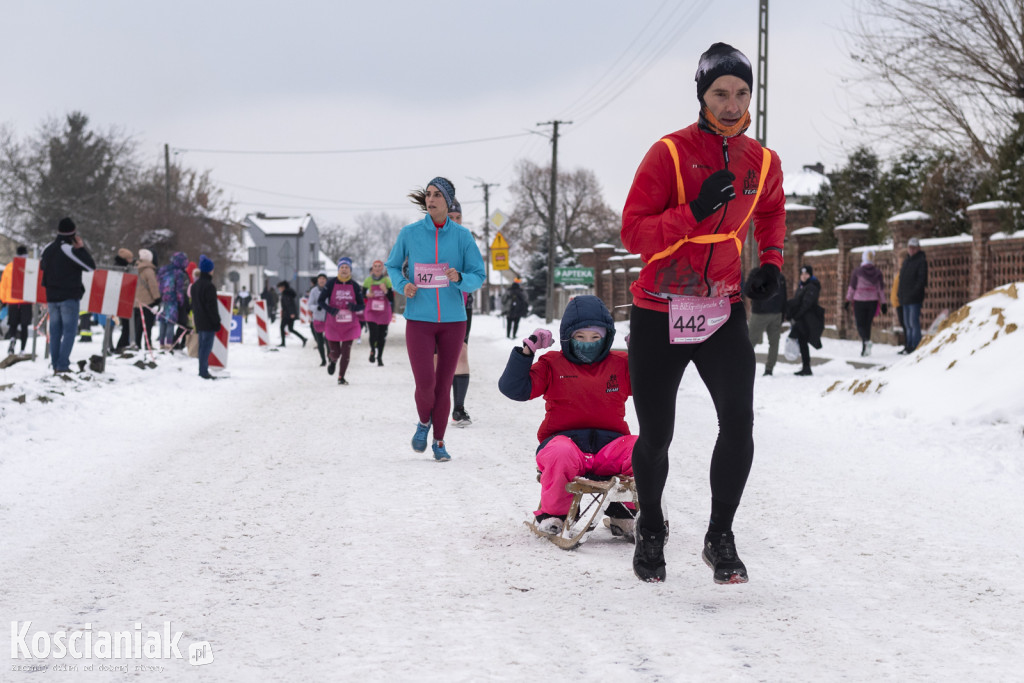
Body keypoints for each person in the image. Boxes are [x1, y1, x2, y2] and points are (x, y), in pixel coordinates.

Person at [620, 43, 787, 584]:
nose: (733, 104)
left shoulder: (762, 160)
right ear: (702, 95)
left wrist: (771, 262)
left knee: (739, 422)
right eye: (721, 93)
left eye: (742, 93)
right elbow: (633, 233)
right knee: (656, 434)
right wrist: (692, 212)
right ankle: (650, 525)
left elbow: (771, 211)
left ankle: (719, 536)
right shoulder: (668, 153)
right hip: (659, 310)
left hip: (721, 309)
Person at [498, 295, 637, 538]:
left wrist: (644, 356)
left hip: (610, 449)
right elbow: (514, 388)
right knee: (560, 452)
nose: (588, 343)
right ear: (567, 337)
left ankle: (624, 512)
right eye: (580, 337)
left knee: (641, 449)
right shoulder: (552, 364)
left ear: (607, 337)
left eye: (596, 337)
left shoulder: (620, 364)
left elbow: (654, 386)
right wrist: (526, 350)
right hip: (566, 446)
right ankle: (555, 516)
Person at [385, 176, 485, 462]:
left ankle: (439, 442)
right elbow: (393, 266)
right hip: (419, 320)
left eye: (437, 195)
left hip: (454, 321)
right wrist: (402, 284)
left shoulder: (463, 237)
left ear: (448, 201)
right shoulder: (410, 233)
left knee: (444, 385)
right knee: (425, 384)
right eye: (428, 194)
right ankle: (423, 423)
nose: (430, 199)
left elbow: (478, 275)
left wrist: (460, 278)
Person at [39, 217, 97, 373]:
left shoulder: (48, 249)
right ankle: (62, 365)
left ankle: (55, 363)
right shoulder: (68, 249)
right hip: (68, 297)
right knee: (69, 332)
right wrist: (81, 248)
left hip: (51, 297)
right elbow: (90, 267)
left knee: (55, 332)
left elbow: (42, 268)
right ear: (73, 233)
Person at [448, 200, 473, 426]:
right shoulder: (430, 239)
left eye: (458, 218)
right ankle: (438, 403)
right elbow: (410, 266)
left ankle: (459, 408)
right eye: (451, 217)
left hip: (463, 304)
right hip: (434, 306)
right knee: (438, 359)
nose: (455, 222)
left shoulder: (467, 240)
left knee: (462, 351)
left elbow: (477, 270)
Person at [319, 258, 363, 384]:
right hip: (333, 324)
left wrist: (353, 307)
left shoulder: (355, 285)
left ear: (350, 270)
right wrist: (330, 310)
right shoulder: (331, 283)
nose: (344, 270)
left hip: (350, 325)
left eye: (347, 268)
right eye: (342, 267)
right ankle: (332, 361)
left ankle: (341, 377)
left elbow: (361, 305)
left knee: (346, 352)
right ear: (338, 269)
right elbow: (321, 301)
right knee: (335, 353)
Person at [745, 265, 787, 375]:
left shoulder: (756, 272)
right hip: (776, 313)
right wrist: (782, 314)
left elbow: (747, 290)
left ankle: (741, 366)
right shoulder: (779, 275)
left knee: (749, 342)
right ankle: (769, 369)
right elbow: (784, 297)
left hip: (760, 313)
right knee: (774, 343)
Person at [845, 249, 886, 356]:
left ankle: (866, 342)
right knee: (867, 325)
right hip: (872, 301)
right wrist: (884, 303)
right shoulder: (878, 273)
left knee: (860, 324)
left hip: (860, 301)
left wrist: (848, 300)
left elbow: (852, 287)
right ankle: (865, 349)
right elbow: (880, 289)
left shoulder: (857, 272)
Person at [786, 265, 823, 375]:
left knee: (799, 340)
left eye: (806, 274)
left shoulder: (811, 287)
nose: (804, 276)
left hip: (807, 319)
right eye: (802, 274)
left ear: (810, 275)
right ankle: (806, 367)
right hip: (802, 319)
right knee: (802, 342)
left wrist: (796, 315)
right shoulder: (802, 286)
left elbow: (806, 304)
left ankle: (806, 366)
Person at [191, 255, 220, 379]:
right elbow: (211, 307)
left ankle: (202, 369)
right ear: (210, 270)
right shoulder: (209, 286)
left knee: (202, 346)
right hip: (208, 322)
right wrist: (216, 321)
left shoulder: (195, 286)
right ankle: (203, 371)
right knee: (206, 348)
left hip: (199, 320)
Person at [897, 237, 928, 354]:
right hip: (905, 298)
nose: (911, 250)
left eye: (914, 248)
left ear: (918, 248)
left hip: (914, 298)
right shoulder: (907, 261)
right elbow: (902, 279)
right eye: (910, 248)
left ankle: (915, 346)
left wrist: (914, 292)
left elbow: (921, 280)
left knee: (913, 323)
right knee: (907, 324)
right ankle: (908, 345)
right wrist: (900, 294)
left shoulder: (921, 261)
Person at [1, 246, 33, 355]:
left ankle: (12, 341)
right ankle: (22, 349)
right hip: (26, 301)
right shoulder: (30, 266)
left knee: (13, 324)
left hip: (12, 301)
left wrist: (3, 300)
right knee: (24, 325)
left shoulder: (9, 267)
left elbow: (3, 285)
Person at [362, 259, 393, 367]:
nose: (377, 268)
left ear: (382, 268)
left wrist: (385, 291)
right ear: (373, 268)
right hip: (371, 312)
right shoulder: (368, 281)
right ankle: (372, 350)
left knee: (381, 336)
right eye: (375, 266)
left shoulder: (387, 281)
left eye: (380, 266)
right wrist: (367, 295)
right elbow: (362, 294)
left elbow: (391, 298)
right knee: (373, 333)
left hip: (384, 312)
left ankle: (379, 357)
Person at [157, 252, 190, 350]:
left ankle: (161, 343)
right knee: (170, 321)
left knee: (162, 320)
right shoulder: (179, 273)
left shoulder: (163, 270)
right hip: (172, 299)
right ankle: (169, 343)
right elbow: (179, 289)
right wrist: (181, 301)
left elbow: (159, 284)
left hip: (162, 298)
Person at [133, 248, 160, 350]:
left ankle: (137, 344)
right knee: (147, 325)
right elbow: (153, 286)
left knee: (138, 326)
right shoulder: (149, 270)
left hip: (136, 302)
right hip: (147, 302)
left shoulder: (135, 268)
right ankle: (148, 344)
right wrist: (157, 299)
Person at [111, 248, 134, 352]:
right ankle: (121, 346)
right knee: (125, 325)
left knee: (125, 326)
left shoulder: (122, 267)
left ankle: (120, 345)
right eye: (129, 258)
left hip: (122, 299)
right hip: (121, 300)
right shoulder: (120, 268)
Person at [276, 281, 308, 348]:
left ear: (283, 287)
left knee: (282, 327)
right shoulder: (288, 294)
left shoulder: (286, 294)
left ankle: (283, 343)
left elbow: (289, 305)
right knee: (291, 329)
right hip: (289, 314)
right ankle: (303, 339)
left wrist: (291, 313)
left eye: (280, 288)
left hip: (287, 314)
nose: (279, 289)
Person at [307, 274, 329, 366]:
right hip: (317, 318)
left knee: (329, 340)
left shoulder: (330, 290)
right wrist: (317, 307)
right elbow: (309, 305)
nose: (322, 280)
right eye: (320, 279)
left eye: (324, 279)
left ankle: (330, 356)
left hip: (328, 318)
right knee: (319, 341)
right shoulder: (313, 291)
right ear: (317, 281)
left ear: (326, 280)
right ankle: (323, 360)